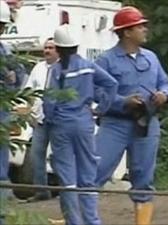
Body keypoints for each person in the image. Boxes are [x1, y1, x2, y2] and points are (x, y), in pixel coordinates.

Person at [94, 6, 168, 225]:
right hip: (115, 124)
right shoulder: (106, 60)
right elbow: (97, 92)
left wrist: (163, 94)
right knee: (94, 172)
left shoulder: (152, 58)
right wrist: (122, 101)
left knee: (144, 179)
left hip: (146, 124)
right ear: (127, 32)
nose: (145, 29)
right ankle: (81, 219)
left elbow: (164, 82)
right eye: (140, 26)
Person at [43, 24, 118, 225]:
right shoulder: (88, 66)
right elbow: (112, 84)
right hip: (84, 123)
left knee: (67, 180)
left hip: (61, 125)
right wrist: (101, 108)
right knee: (88, 175)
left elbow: (49, 101)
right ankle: (93, 221)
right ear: (76, 45)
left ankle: (74, 222)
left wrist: (50, 119)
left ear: (58, 48)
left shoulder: (55, 70)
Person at [0, 1, 27, 224]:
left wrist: (11, 85)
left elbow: (19, 79)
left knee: (0, 167)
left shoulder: (6, 52)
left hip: (1, 116)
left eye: (2, 26)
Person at [24, 38, 59, 202]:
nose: (47, 51)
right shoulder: (38, 68)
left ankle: (66, 189)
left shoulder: (63, 68)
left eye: (51, 48)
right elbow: (29, 90)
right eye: (45, 47)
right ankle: (41, 191)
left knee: (60, 156)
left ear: (58, 50)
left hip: (59, 121)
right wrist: (30, 111)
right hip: (40, 120)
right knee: (36, 155)